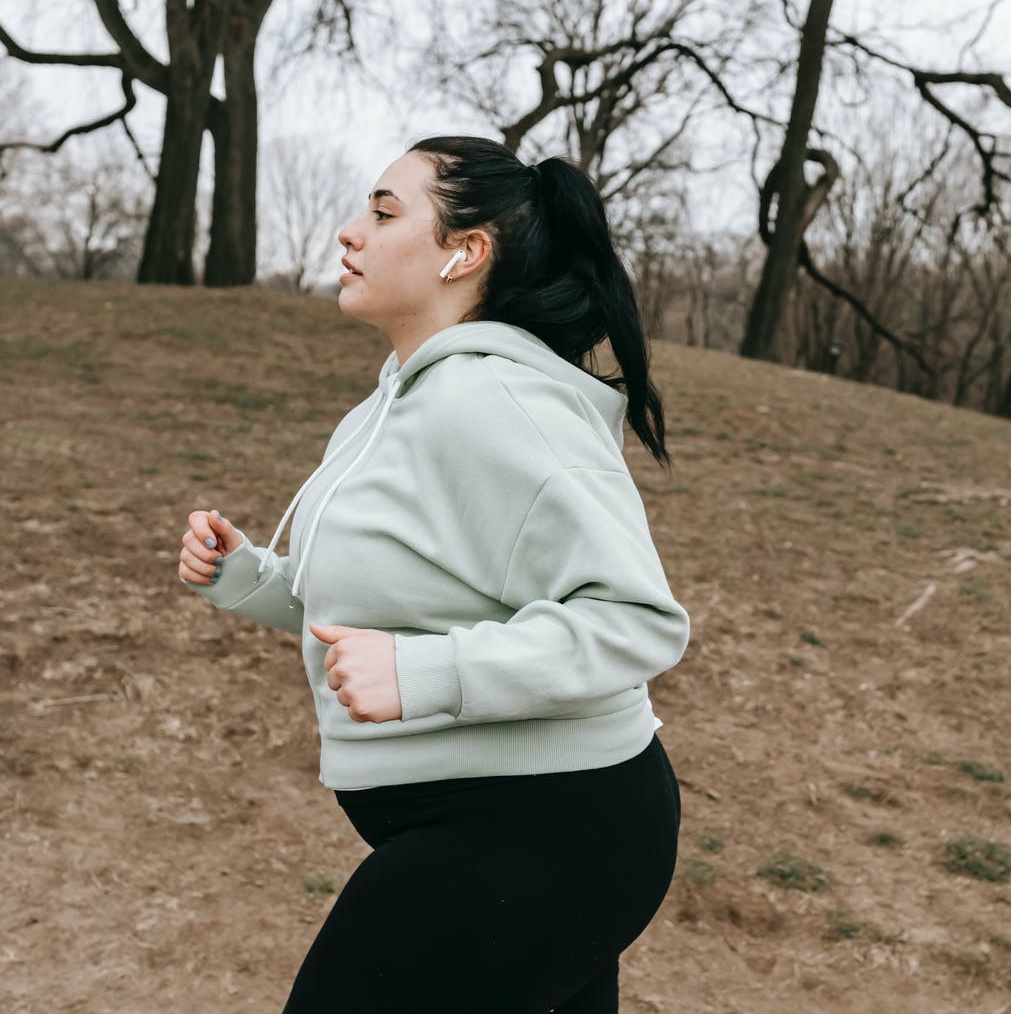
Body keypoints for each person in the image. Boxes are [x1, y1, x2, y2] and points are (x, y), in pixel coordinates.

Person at [174, 135, 689, 1012]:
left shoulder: (498, 403)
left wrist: (424, 673)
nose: (349, 233)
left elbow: (636, 619)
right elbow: (390, 598)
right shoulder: (400, 396)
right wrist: (249, 576)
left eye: (382, 213)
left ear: (466, 250)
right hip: (495, 823)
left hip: (551, 826)